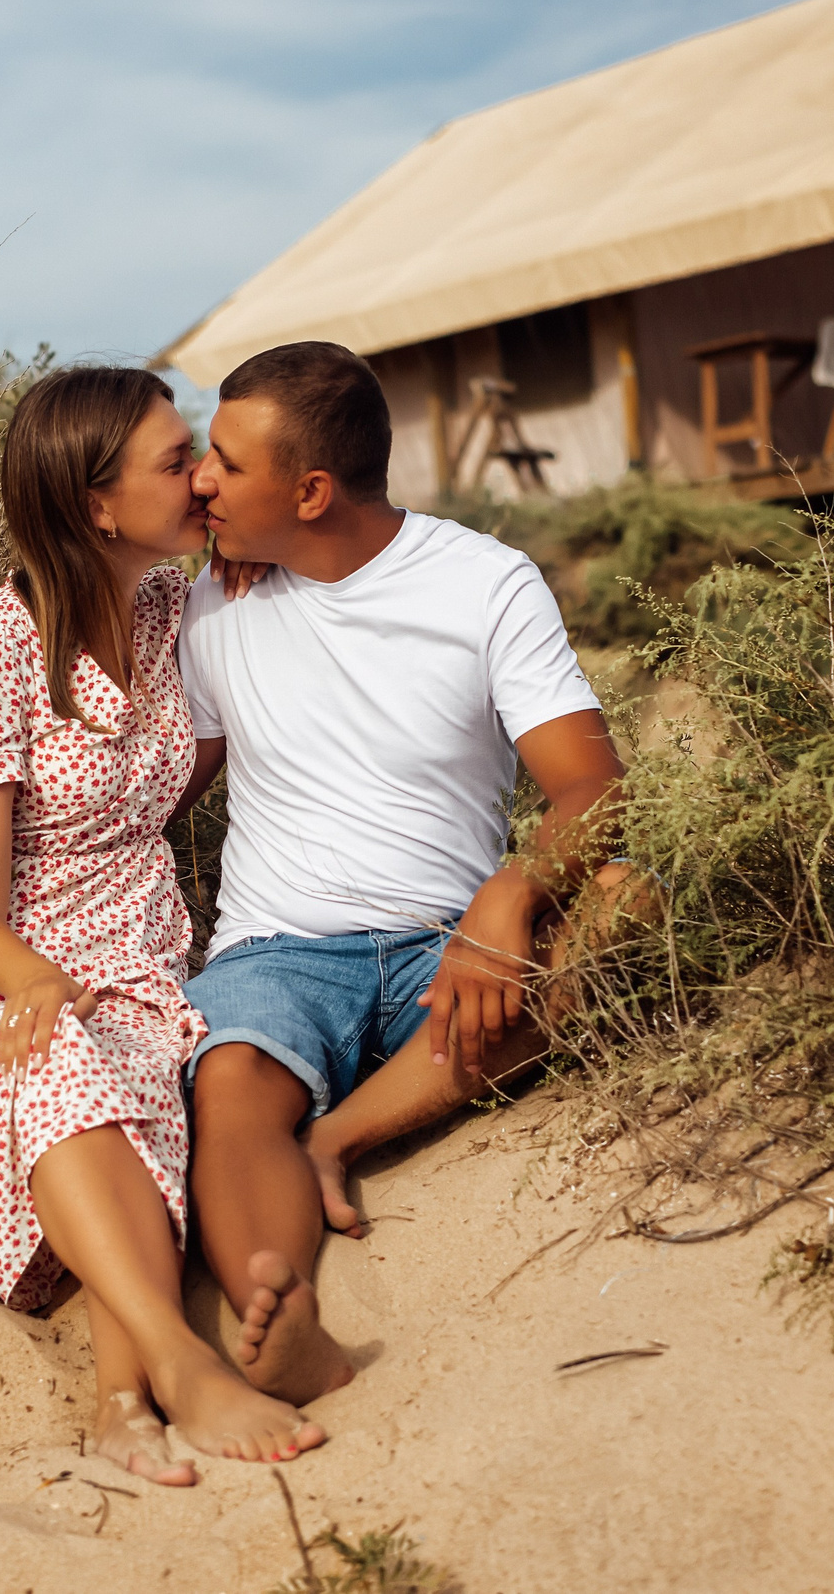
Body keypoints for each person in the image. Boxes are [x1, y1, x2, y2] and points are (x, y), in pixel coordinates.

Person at [0, 366, 324, 1486]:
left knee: (124, 1072)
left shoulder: (175, 607)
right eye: (172, 460)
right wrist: (34, 979)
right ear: (96, 505)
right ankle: (172, 1364)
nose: (201, 475)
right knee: (60, 1052)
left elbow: (180, 766)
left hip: (137, 955)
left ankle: (120, 1404)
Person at [177, 341, 627, 1408]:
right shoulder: (212, 603)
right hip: (279, 949)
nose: (201, 479)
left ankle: (336, 1135)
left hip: (448, 950)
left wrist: (506, 896)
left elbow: (597, 790)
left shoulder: (481, 582)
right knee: (228, 1079)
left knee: (621, 910)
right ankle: (278, 1314)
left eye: (226, 465)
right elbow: (156, 786)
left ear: (311, 490)